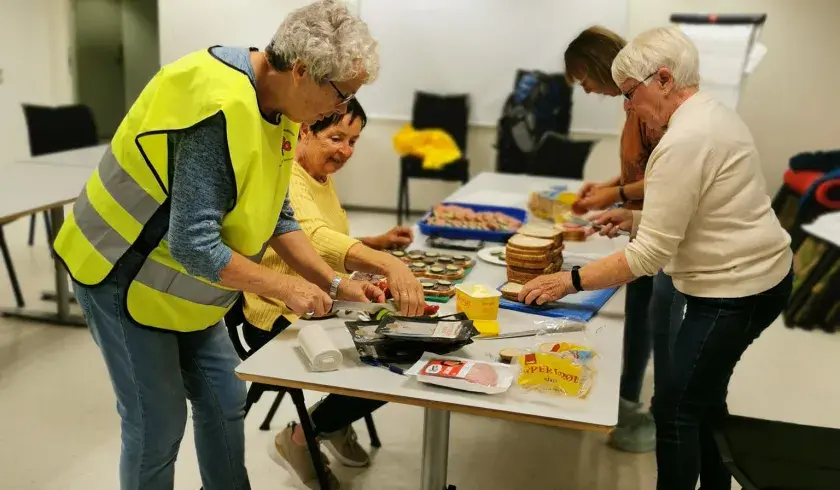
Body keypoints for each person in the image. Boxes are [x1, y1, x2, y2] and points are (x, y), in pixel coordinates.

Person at [52, 2, 383, 489]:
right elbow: (193, 245)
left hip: (188, 286)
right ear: (303, 71)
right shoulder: (218, 108)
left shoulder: (284, 105)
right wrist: (285, 289)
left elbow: (277, 216)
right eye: (340, 97)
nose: (340, 111)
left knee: (226, 401)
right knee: (156, 425)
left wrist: (333, 283)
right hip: (121, 271)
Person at [520, 26, 793, 490]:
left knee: (675, 408)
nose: (627, 107)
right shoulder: (709, 116)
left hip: (734, 290)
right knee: (703, 398)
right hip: (758, 278)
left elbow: (648, 257)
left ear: (663, 79)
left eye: (630, 94)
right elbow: (698, 211)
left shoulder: (684, 139)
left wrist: (569, 281)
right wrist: (632, 220)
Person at [240, 99, 425, 489]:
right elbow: (313, 237)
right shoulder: (289, 175)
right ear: (304, 131)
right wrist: (386, 263)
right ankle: (301, 437)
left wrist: (374, 243)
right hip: (281, 312)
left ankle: (333, 419)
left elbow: (323, 240)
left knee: (408, 348)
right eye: (336, 137)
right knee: (393, 360)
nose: (345, 151)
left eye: (353, 141)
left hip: (323, 303)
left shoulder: (320, 175)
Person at [564, 26, 685, 452]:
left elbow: (661, 179)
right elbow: (640, 170)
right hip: (644, 223)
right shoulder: (634, 108)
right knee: (639, 312)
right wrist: (608, 188)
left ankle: (663, 419)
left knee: (661, 322)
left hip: (665, 234)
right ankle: (628, 399)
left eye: (585, 80)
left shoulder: (650, 109)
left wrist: (614, 194)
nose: (588, 90)